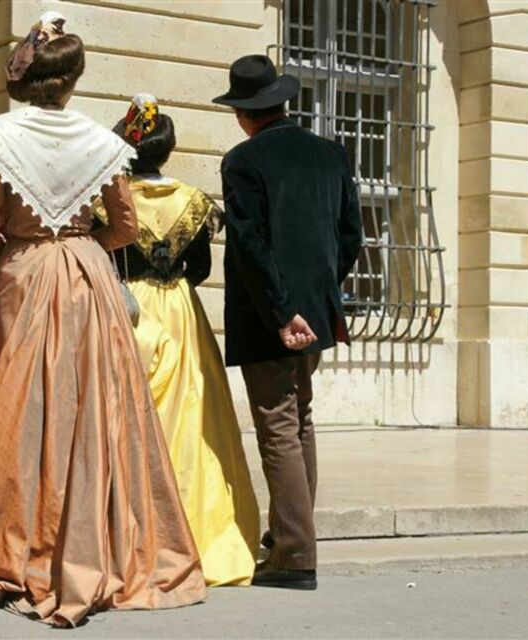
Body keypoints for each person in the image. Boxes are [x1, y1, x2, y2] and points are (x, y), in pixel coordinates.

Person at [0, 12, 206, 627]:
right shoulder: (104, 143)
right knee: (95, 406)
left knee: (27, 407)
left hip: (26, 272)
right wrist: (80, 235)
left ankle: (22, 546)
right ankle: (101, 543)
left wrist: (21, 252)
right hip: (89, 273)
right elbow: (123, 226)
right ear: (72, 80)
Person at [94, 94, 260, 586]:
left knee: (132, 414)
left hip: (132, 309)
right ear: (167, 151)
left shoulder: (113, 198)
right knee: (192, 417)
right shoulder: (194, 200)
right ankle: (200, 528)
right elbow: (203, 268)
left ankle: (133, 533)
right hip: (181, 310)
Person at [214, 54, 363, 590]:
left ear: (242, 113)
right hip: (317, 314)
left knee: (278, 426)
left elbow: (251, 246)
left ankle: (295, 555)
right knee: (299, 420)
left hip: (269, 317)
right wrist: (315, 300)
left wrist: (281, 312)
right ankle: (288, 538)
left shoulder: (242, 162)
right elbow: (352, 239)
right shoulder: (331, 154)